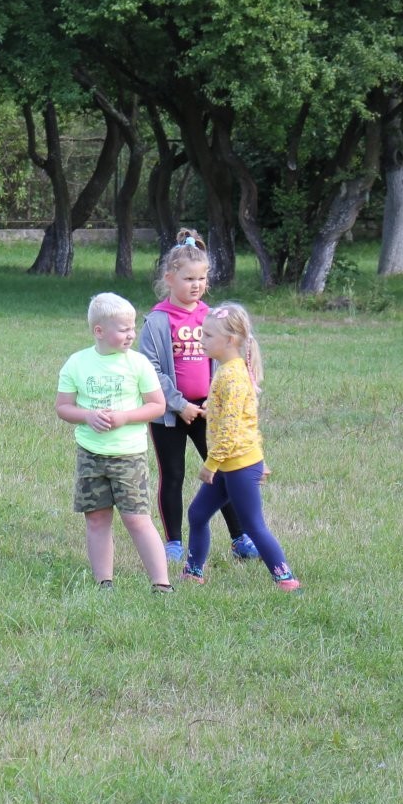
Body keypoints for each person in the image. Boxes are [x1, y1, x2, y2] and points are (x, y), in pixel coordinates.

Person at [138, 229, 257, 563]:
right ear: (170, 279)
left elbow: (229, 358)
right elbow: (150, 369)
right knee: (173, 476)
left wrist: (216, 401)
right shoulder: (157, 320)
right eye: (189, 278)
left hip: (209, 410)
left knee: (223, 471)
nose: (196, 285)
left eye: (202, 278)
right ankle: (174, 543)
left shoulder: (213, 317)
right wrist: (179, 405)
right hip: (169, 414)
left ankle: (240, 538)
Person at [56, 292, 173, 592]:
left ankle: (161, 583)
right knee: (96, 519)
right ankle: (104, 582)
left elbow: (157, 405)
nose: (131, 334)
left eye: (133, 328)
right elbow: (63, 407)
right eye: (123, 329)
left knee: (137, 520)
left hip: (129, 456)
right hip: (91, 455)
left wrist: (125, 417)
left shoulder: (138, 364)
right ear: (99, 331)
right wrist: (87, 416)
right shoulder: (77, 363)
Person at [183, 303, 300, 590]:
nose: (201, 340)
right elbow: (243, 418)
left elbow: (231, 430)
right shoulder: (228, 370)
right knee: (198, 514)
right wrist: (213, 409)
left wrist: (211, 464)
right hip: (231, 464)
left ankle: (285, 578)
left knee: (253, 525)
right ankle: (193, 572)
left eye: (208, 335)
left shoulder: (232, 376)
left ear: (230, 340)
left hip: (237, 465)